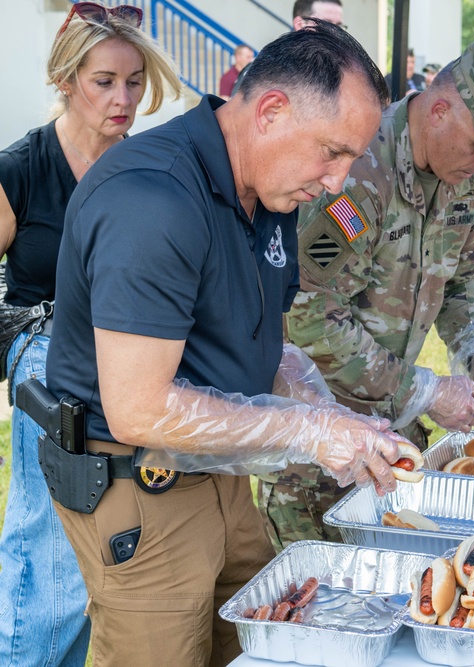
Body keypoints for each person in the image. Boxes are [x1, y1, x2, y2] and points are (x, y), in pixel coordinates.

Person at [44, 23, 400, 666]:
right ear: (271, 111)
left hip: (224, 472)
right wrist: (306, 430)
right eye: (332, 152)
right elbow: (139, 409)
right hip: (139, 482)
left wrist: (328, 413)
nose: (337, 183)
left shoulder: (270, 191)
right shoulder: (152, 198)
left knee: (254, 649)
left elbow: (263, 341)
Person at [261, 36, 474, 550]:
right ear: (439, 111)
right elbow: (309, 315)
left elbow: (461, 278)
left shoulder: (462, 179)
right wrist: (425, 392)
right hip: (320, 444)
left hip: (392, 438)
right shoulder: (356, 174)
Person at [0, 5, 181, 666]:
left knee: (111, 546)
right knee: (46, 548)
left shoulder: (150, 168)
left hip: (133, 367)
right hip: (48, 372)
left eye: (134, 82)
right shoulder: (19, 170)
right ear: (66, 78)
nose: (123, 99)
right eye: (105, 81)